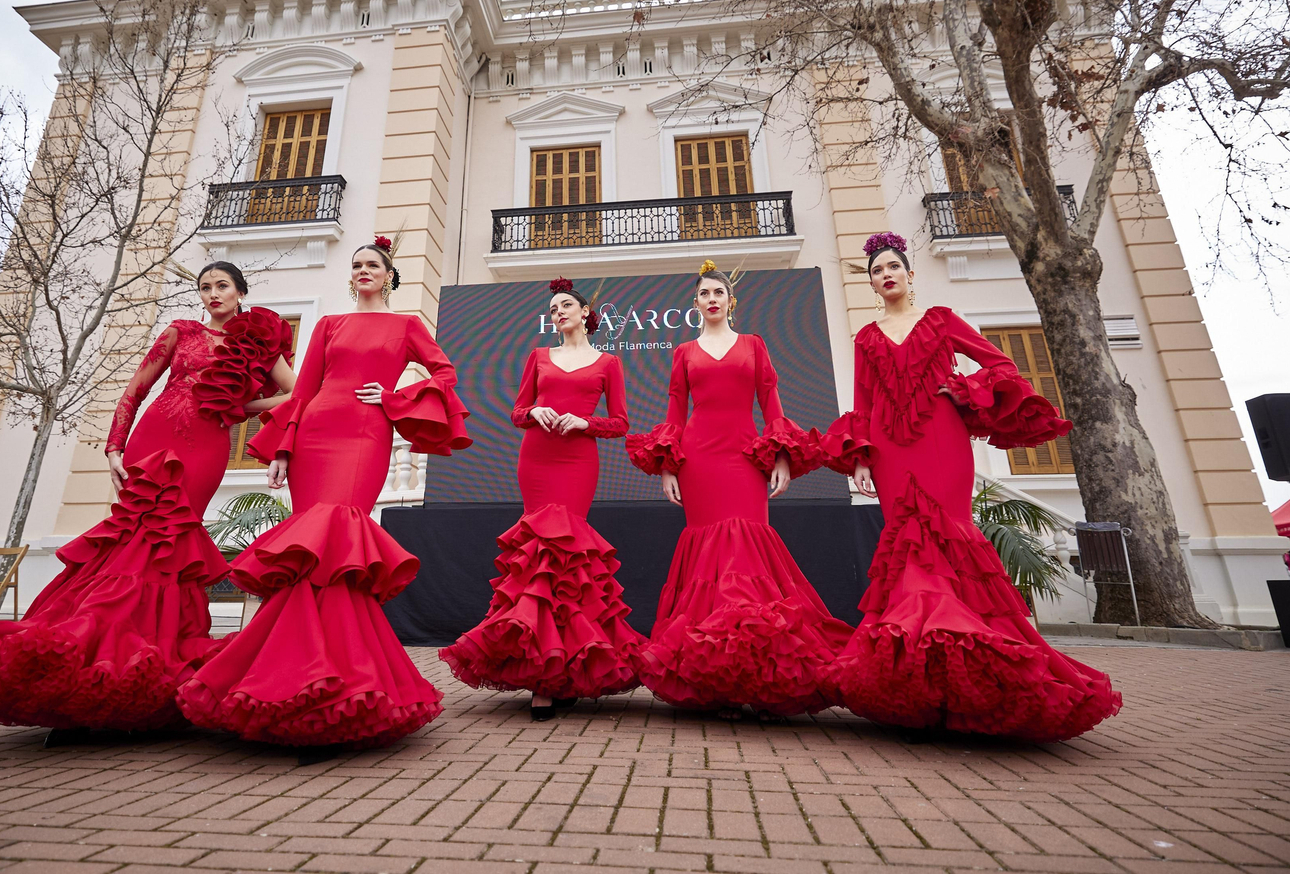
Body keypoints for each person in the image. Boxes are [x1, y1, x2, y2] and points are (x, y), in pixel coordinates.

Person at [0, 262, 295, 738]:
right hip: (156, 437)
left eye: (222, 286)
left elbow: (295, 393)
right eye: (205, 287)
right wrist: (113, 447)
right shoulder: (181, 332)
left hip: (207, 448)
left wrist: (236, 407)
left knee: (171, 549)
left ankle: (146, 669)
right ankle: (93, 663)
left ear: (240, 292)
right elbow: (136, 389)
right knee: (132, 542)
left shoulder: (256, 342)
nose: (212, 294)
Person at [176, 237, 470, 759]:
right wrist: (282, 450)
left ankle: (336, 691)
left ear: (389, 275)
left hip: (364, 435)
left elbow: (446, 374)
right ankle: (289, 686)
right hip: (313, 434)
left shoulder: (405, 326)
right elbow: (303, 390)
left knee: (338, 544)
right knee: (308, 554)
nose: (362, 271)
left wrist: (396, 397)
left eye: (372, 265)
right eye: (356, 265)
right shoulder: (330, 324)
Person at [824, 232, 1122, 742]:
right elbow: (863, 404)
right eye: (877, 271)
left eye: (894, 266)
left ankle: (975, 665)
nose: (886, 275)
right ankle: (920, 674)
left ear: (910, 274)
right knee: (906, 543)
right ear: (872, 283)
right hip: (891, 451)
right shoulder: (866, 338)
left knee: (948, 534)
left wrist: (961, 389)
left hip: (943, 440)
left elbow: (1000, 365)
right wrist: (862, 461)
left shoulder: (942, 319)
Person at [625, 262, 849, 720]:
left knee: (747, 550)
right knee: (708, 555)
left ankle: (761, 675)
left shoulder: (754, 345)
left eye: (718, 293)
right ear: (696, 304)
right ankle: (718, 679)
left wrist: (783, 455)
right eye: (704, 293)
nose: (711, 299)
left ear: (731, 301)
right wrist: (668, 466)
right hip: (698, 458)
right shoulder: (684, 350)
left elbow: (771, 399)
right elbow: (674, 406)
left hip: (745, 456)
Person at [441, 278, 645, 720]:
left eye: (565, 305)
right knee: (536, 555)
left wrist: (584, 422)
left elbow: (622, 422)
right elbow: (516, 413)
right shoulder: (537, 357)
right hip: (536, 458)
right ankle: (541, 674)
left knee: (568, 559)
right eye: (553, 309)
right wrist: (533, 411)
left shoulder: (608, 362)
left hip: (578, 461)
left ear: (586, 312)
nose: (558, 313)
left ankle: (566, 667)